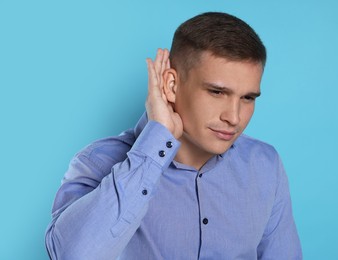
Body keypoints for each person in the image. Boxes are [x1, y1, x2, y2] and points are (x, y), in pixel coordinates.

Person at [45, 12, 302, 259]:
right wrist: (157, 140)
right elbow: (72, 256)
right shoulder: (98, 161)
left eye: (247, 98)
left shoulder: (265, 165)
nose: (234, 118)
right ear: (171, 85)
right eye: (217, 92)